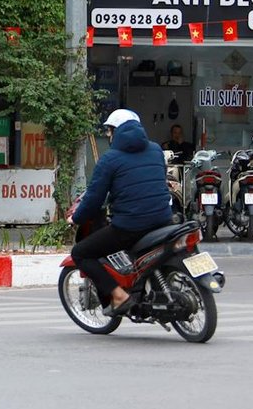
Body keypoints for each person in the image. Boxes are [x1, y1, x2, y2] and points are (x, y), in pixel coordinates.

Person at [69, 108, 174, 316]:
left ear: (116, 132)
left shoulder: (110, 159)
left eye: (109, 131)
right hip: (164, 220)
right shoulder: (155, 150)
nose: (108, 136)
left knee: (80, 253)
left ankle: (119, 295)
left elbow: (93, 199)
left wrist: (76, 217)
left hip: (131, 227)